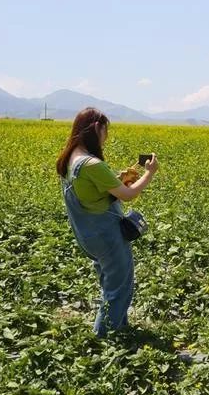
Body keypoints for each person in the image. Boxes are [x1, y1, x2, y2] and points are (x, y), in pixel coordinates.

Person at [55, 107, 158, 337]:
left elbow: (92, 194)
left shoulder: (70, 159)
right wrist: (149, 173)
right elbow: (128, 195)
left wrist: (119, 180)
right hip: (106, 235)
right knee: (119, 290)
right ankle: (104, 340)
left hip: (87, 235)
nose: (106, 136)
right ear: (95, 129)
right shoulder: (92, 164)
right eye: (105, 131)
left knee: (111, 284)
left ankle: (119, 330)